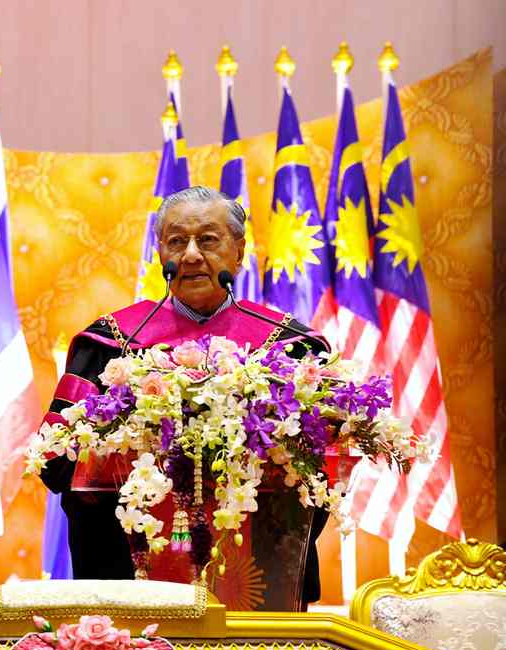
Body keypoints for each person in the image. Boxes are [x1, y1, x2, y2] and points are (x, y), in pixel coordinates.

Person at [39, 186, 330, 610]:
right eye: (177, 241)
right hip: (131, 576)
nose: (191, 254)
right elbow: (56, 460)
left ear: (239, 251)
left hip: (258, 583)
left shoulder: (291, 348)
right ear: (161, 254)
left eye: (208, 240)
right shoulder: (109, 345)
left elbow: (320, 472)